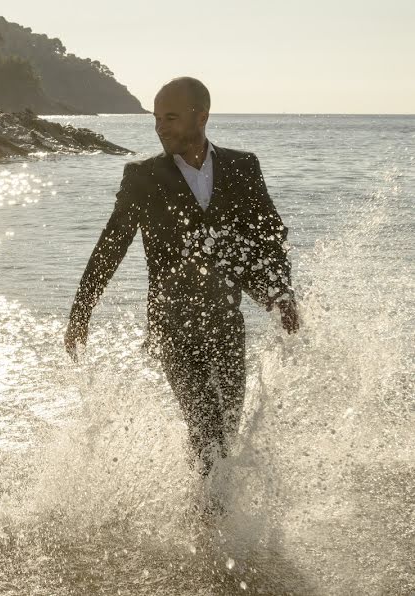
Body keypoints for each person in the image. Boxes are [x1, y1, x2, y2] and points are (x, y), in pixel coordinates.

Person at [64, 77, 299, 476]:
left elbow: (268, 236)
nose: (161, 127)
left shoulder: (242, 167)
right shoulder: (142, 176)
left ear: (201, 116)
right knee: (205, 427)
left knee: (225, 431)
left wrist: (279, 294)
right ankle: (206, 523)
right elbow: (111, 245)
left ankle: (206, 516)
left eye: (170, 117)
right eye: (157, 119)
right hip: (173, 325)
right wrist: (81, 312)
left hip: (226, 322)